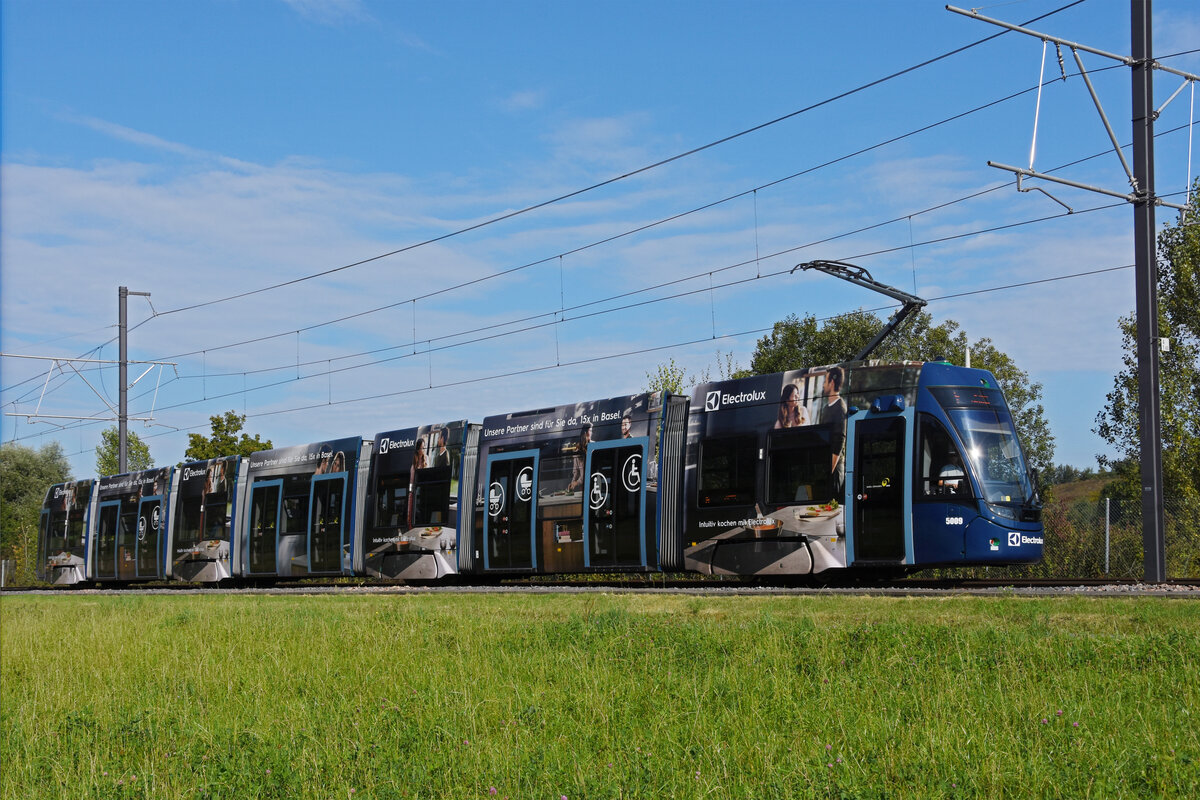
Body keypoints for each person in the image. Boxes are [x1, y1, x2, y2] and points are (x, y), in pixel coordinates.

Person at [821, 367, 848, 499]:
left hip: (835, 469)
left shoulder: (841, 408)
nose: (823, 385)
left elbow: (839, 441)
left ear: (832, 382)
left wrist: (828, 471)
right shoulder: (826, 408)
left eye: (825, 381)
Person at [407, 437, 427, 528]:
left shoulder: (426, 460)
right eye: (421, 448)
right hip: (415, 495)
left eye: (424, 447)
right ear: (418, 449)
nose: (423, 450)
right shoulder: (413, 465)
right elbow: (411, 483)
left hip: (424, 493)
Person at [567, 424, 592, 492]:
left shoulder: (593, 446)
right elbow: (576, 471)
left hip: (593, 480)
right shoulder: (577, 450)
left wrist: (576, 483)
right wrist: (572, 483)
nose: (591, 433)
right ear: (585, 433)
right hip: (583, 486)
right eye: (590, 431)